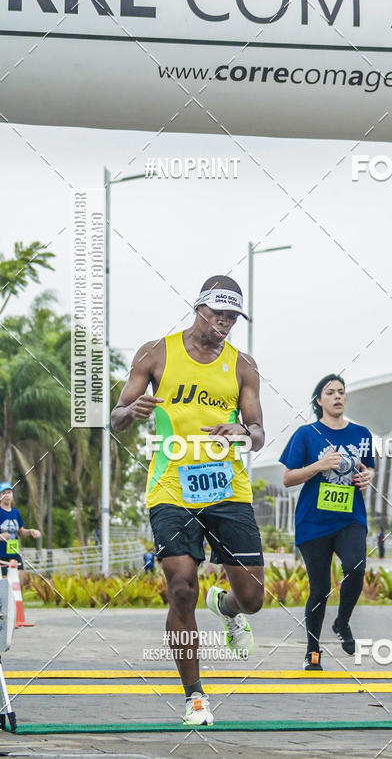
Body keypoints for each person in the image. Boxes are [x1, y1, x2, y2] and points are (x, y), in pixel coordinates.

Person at [112, 275, 265, 727]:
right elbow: (117, 416)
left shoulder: (243, 366)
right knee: (181, 586)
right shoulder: (156, 352)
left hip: (227, 488)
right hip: (171, 488)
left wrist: (243, 430)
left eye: (233, 315)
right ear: (198, 308)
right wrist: (131, 411)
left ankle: (229, 609)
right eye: (219, 312)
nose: (225, 322)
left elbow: (258, 432)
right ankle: (194, 696)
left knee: (253, 597)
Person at [280, 373, 375, 670]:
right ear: (319, 400)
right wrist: (319, 465)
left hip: (350, 517)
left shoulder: (362, 434)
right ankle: (313, 651)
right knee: (319, 588)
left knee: (355, 566)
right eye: (330, 392)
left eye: (341, 392)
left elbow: (367, 469)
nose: (337, 396)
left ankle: (342, 622)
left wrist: (368, 477)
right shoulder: (306, 434)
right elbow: (287, 478)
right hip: (313, 521)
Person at [0, 482, 41, 587]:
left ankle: (17, 603)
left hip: (14, 553)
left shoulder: (16, 512)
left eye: (9, 492)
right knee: (5, 587)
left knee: (19, 584)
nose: (7, 495)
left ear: (12, 495)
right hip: (1, 555)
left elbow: (21, 532)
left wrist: (31, 531)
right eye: (4, 493)